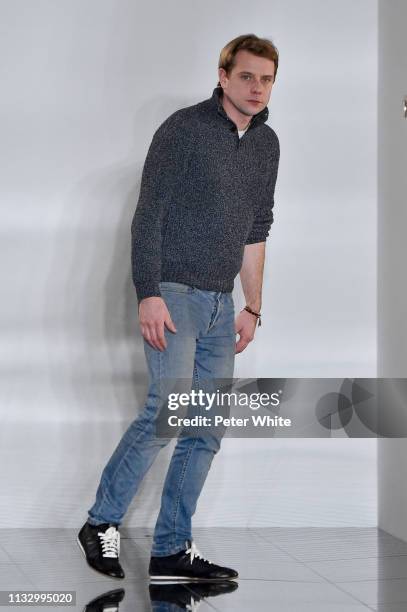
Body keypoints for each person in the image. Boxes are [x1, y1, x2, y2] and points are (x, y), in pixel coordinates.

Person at [77, 33, 280, 582]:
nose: (257, 87)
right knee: (166, 414)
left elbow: (257, 228)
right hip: (175, 293)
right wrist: (149, 291)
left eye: (266, 79)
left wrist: (252, 306)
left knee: (206, 426)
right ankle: (102, 523)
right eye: (247, 76)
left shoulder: (267, 145)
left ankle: (171, 548)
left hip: (222, 303)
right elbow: (150, 216)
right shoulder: (184, 130)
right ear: (223, 76)